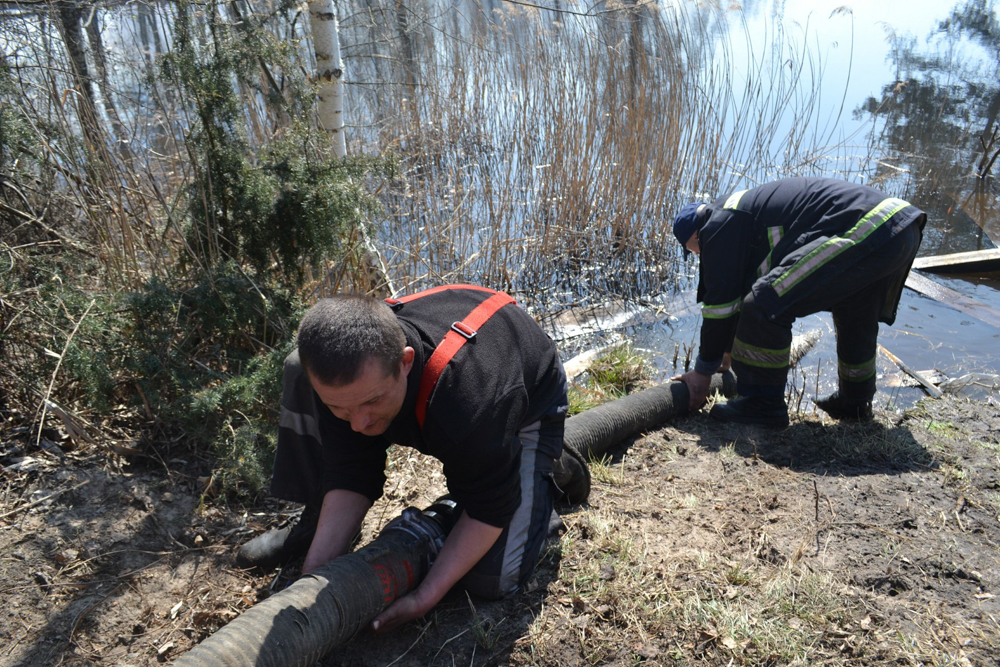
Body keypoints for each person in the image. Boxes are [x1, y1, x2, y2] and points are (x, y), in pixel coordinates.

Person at [237, 285, 590, 633]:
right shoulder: (352, 384)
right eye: (339, 408)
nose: (358, 424)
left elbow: (488, 512)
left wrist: (425, 596)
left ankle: (542, 467)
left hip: (526, 397)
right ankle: (313, 523)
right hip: (456, 385)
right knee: (300, 369)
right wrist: (313, 574)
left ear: (405, 362)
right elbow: (352, 469)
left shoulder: (470, 400)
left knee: (493, 579)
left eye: (372, 402)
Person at [671, 177, 926, 427]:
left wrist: (703, 372)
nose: (699, 255)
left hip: (869, 225)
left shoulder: (717, 225)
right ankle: (855, 403)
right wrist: (724, 354)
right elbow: (737, 292)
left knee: (764, 304)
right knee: (854, 311)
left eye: (694, 250)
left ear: (695, 236)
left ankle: (762, 405)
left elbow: (720, 306)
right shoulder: (740, 214)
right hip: (900, 228)